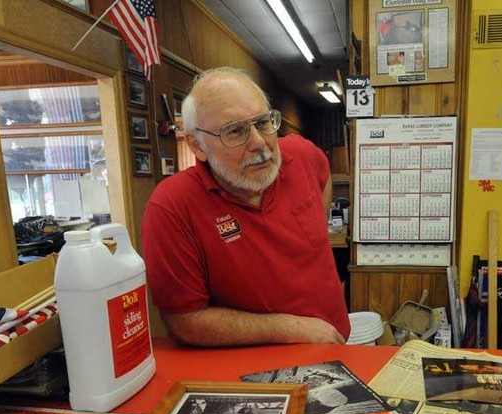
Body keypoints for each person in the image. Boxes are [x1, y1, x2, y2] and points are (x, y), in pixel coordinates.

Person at [142, 67, 350, 347]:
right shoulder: (172, 207)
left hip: (336, 346)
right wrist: (290, 329)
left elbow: (323, 177)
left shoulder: (300, 155)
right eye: (235, 131)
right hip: (253, 370)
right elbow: (185, 320)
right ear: (197, 145)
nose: (259, 143)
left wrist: (318, 226)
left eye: (263, 122)